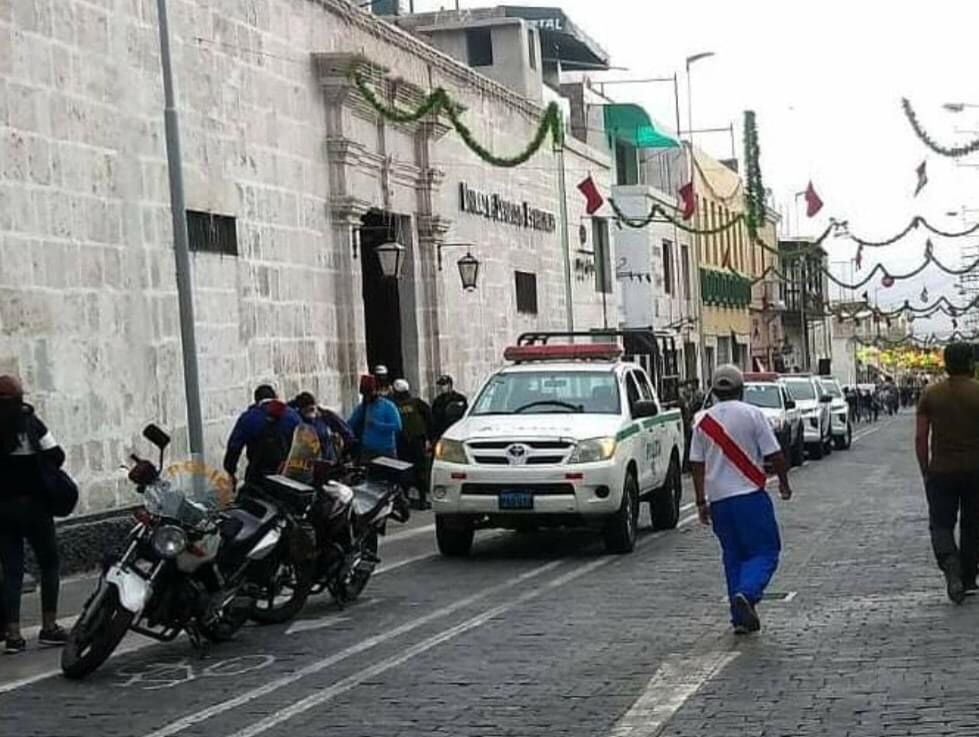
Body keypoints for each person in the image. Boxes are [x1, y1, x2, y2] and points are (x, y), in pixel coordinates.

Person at [689, 365, 793, 635]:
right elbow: (775, 454)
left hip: (720, 502)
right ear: (741, 389)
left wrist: (701, 501)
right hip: (749, 497)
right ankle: (747, 593)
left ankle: (740, 618)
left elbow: (696, 465)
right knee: (765, 551)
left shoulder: (702, 421)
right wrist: (783, 482)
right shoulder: (753, 414)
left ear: (713, 391)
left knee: (733, 556)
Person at [0, 375, 68, 653]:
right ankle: (49, 627)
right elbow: (57, 454)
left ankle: (13, 635)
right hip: (35, 506)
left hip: (2, 507)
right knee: (49, 563)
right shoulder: (30, 424)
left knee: (12, 570)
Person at [915, 342, 979, 604]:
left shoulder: (931, 394)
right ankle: (967, 576)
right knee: (973, 525)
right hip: (976, 469)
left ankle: (950, 564)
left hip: (941, 470)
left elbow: (921, 437)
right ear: (970, 363)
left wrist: (925, 470)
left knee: (941, 524)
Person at [223, 385, 302, 484]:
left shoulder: (248, 418)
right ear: (275, 397)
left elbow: (234, 447)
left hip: (258, 475)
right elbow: (304, 443)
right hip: (286, 475)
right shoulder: (293, 416)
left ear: (256, 400)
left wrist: (231, 470)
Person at [392, 379, 434, 509]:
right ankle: (421, 499)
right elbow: (430, 418)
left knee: (404, 469)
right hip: (416, 441)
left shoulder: (393, 405)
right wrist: (429, 438)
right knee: (419, 469)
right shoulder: (416, 403)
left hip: (403, 442)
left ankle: (407, 498)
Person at [289, 392, 355, 464]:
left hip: (328, 461)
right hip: (306, 464)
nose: (310, 414)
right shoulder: (297, 419)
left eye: (312, 409)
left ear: (316, 407)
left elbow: (346, 432)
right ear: (300, 410)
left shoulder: (325, 415)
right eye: (306, 411)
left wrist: (346, 453)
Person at [348, 375, 402, 459]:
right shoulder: (363, 407)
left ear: (375, 391)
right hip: (368, 451)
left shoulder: (388, 406)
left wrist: (377, 425)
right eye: (365, 395)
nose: (367, 397)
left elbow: (397, 426)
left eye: (369, 393)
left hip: (386, 451)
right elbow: (351, 422)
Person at [431, 374, 468, 442]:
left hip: (456, 432)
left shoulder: (460, 398)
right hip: (442, 432)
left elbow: (465, 415)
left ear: (450, 385)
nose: (442, 387)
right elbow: (434, 419)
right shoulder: (437, 401)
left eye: (444, 385)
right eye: (441, 385)